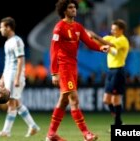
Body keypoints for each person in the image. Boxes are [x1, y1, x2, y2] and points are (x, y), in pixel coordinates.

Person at [46, 0, 110, 141]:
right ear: (64, 10)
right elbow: (53, 51)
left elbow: (88, 41)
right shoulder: (59, 28)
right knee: (74, 99)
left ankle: (51, 135)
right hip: (64, 67)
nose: (74, 9)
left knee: (63, 100)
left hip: (73, 67)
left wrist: (100, 48)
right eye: (70, 7)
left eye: (74, 7)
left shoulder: (78, 27)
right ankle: (86, 134)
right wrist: (54, 72)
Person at [0, 17, 40, 137]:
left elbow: (20, 60)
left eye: (2, 27)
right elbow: (8, 62)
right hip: (9, 75)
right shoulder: (8, 42)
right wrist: (3, 77)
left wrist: (17, 77)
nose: (0, 29)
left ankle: (6, 131)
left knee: (11, 103)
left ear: (8, 27)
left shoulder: (17, 41)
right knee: (16, 103)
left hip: (14, 75)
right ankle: (33, 126)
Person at [88, 19, 129, 128]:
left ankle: (118, 124)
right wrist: (90, 37)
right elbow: (98, 42)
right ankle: (119, 122)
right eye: (111, 29)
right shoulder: (110, 38)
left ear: (121, 30)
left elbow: (110, 45)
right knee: (106, 100)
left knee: (115, 100)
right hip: (111, 72)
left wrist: (96, 36)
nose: (112, 31)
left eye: (114, 29)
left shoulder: (123, 40)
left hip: (118, 71)